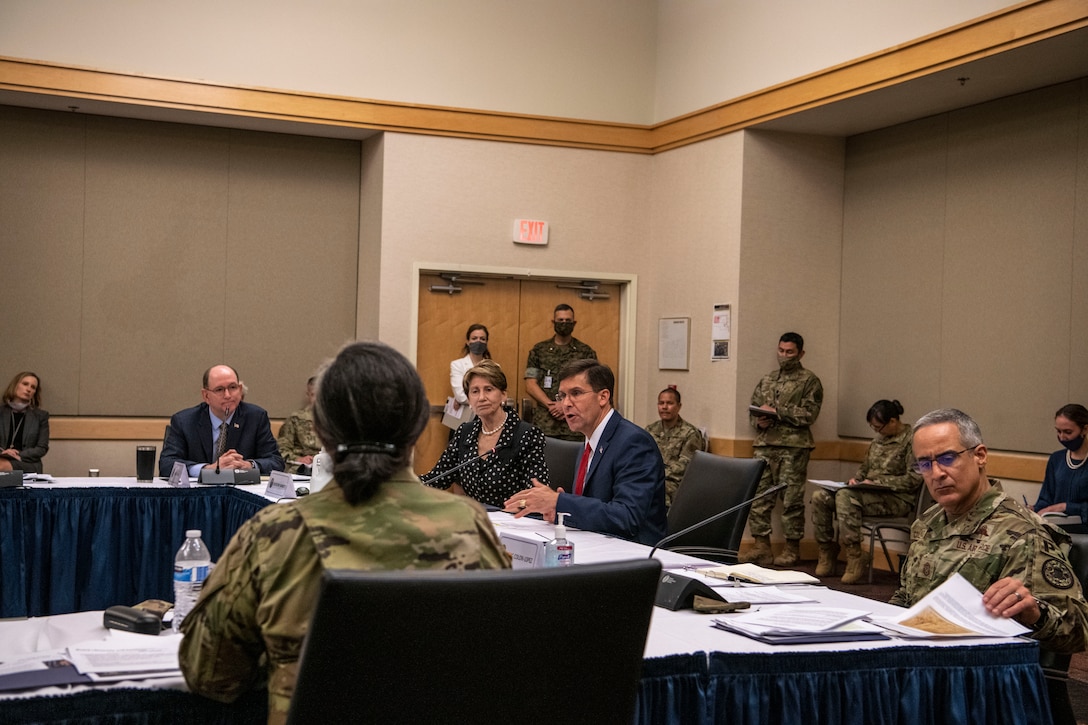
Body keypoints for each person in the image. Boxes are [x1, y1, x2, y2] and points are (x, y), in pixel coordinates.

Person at [179, 341, 511, 722]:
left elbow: (209, 674)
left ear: (320, 430)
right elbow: (499, 663)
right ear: (419, 428)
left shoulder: (274, 535)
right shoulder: (470, 526)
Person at [890, 408, 1088, 653]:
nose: (937, 473)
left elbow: (1079, 631)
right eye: (925, 463)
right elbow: (907, 596)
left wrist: (1034, 613)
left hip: (982, 674)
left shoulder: (1023, 534)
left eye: (947, 458)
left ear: (980, 455)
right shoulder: (928, 522)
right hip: (918, 657)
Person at [505, 359, 667, 546]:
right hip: (597, 545)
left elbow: (626, 518)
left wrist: (561, 502)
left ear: (603, 397)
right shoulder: (588, 440)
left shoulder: (633, 442)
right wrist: (559, 510)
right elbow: (596, 508)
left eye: (576, 393)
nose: (566, 403)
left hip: (634, 555)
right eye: (562, 395)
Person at [811, 400, 922, 583]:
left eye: (879, 427)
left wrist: (878, 482)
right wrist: (857, 480)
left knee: (845, 497)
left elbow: (914, 479)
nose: (876, 431)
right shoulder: (877, 442)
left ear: (893, 421)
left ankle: (855, 556)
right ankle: (826, 551)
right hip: (868, 493)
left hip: (897, 499)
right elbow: (864, 470)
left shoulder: (912, 441)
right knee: (820, 497)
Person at [741, 332, 823, 567]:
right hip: (765, 446)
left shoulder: (809, 381)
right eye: (781, 351)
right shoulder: (767, 380)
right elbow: (753, 410)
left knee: (791, 501)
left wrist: (779, 412)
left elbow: (810, 413)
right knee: (759, 498)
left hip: (793, 448)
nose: (784, 356)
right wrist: (760, 421)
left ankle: (791, 548)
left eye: (789, 352)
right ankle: (761, 547)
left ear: (800, 354)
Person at [423, 360, 549, 508]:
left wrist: (518, 505)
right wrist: (400, 485)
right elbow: (436, 479)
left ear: (503, 395)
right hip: (476, 521)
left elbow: (538, 492)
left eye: (488, 389)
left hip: (514, 523)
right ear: (469, 399)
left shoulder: (526, 435)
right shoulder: (465, 432)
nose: (481, 397)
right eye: (475, 391)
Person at [159, 364, 284, 478]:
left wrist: (249, 466)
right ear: (206, 396)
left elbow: (276, 462)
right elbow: (166, 464)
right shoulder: (184, 421)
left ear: (240, 390)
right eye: (219, 390)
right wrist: (208, 469)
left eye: (233, 387)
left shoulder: (256, 417)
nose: (228, 395)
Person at [524, 304, 597, 441]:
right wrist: (551, 405)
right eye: (560, 320)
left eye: (568, 321)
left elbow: (592, 386)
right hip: (546, 423)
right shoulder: (539, 350)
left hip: (576, 424)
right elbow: (530, 384)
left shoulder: (585, 352)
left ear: (574, 323)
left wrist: (564, 405)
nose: (564, 324)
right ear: (553, 322)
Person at [645, 386, 706, 508]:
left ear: (679, 406)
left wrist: (657, 475)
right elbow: (641, 458)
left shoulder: (690, 433)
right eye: (661, 403)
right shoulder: (650, 430)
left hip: (676, 483)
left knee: (658, 492)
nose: (664, 407)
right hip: (652, 478)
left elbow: (685, 465)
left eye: (669, 403)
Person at [1033, 403, 1088, 523]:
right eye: (1058, 431)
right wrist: (1034, 510)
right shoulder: (1056, 459)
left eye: (1068, 432)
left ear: (1084, 429)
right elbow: (1046, 499)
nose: (1062, 437)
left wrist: (1065, 507)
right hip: (1056, 528)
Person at [0, 371, 49, 474]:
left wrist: (18, 454)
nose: (28, 389)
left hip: (27, 462)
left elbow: (42, 448)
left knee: (1, 465)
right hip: (1, 457)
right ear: (15, 385)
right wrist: (4, 452)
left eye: (33, 387)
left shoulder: (40, 416)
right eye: (25, 384)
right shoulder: (1, 412)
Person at [276, 376, 321, 473]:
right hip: (302, 468)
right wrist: (298, 459)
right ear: (308, 395)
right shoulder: (296, 419)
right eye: (314, 395)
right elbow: (281, 450)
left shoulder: (336, 420)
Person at [449, 323, 492, 416]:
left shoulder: (494, 367)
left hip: (488, 417)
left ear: (486, 342)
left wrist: (468, 397)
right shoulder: (457, 365)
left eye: (482, 339)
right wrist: (486, 400)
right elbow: (460, 396)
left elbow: (496, 394)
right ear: (468, 342)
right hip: (464, 419)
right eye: (474, 338)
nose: (478, 341)